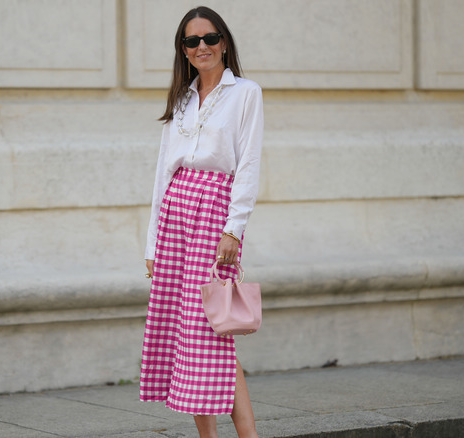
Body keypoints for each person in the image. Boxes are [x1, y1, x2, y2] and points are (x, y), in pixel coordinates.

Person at [139, 6, 263, 438]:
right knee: (183, 328)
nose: (202, 47)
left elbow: (248, 162)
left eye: (209, 38)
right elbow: (161, 173)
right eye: (191, 42)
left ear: (224, 42)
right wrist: (151, 243)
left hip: (214, 209)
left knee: (211, 328)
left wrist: (235, 227)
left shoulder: (246, 93)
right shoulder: (182, 98)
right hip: (176, 210)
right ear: (184, 50)